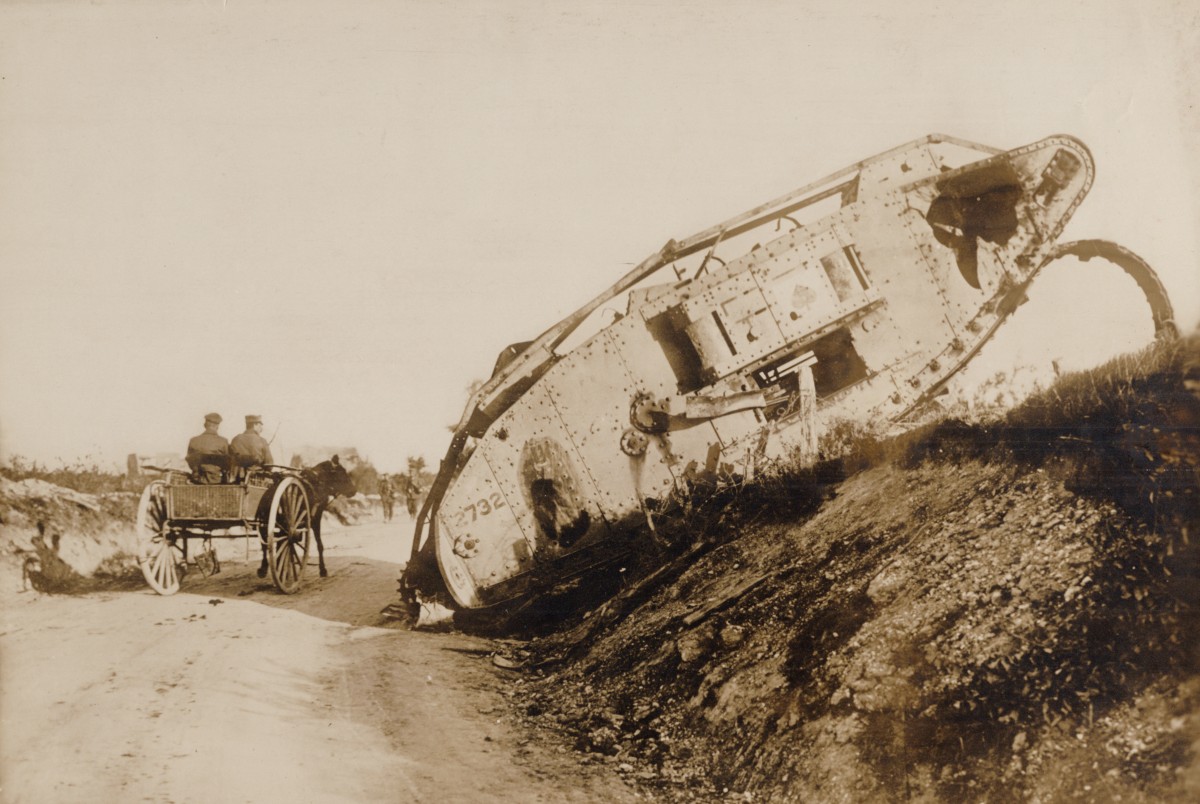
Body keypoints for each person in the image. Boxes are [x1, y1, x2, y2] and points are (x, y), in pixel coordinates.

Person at [186, 412, 230, 484]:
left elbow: (189, 460)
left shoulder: (193, 440)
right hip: (217, 480)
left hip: (196, 479)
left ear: (204, 425)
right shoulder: (223, 441)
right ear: (217, 426)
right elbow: (227, 463)